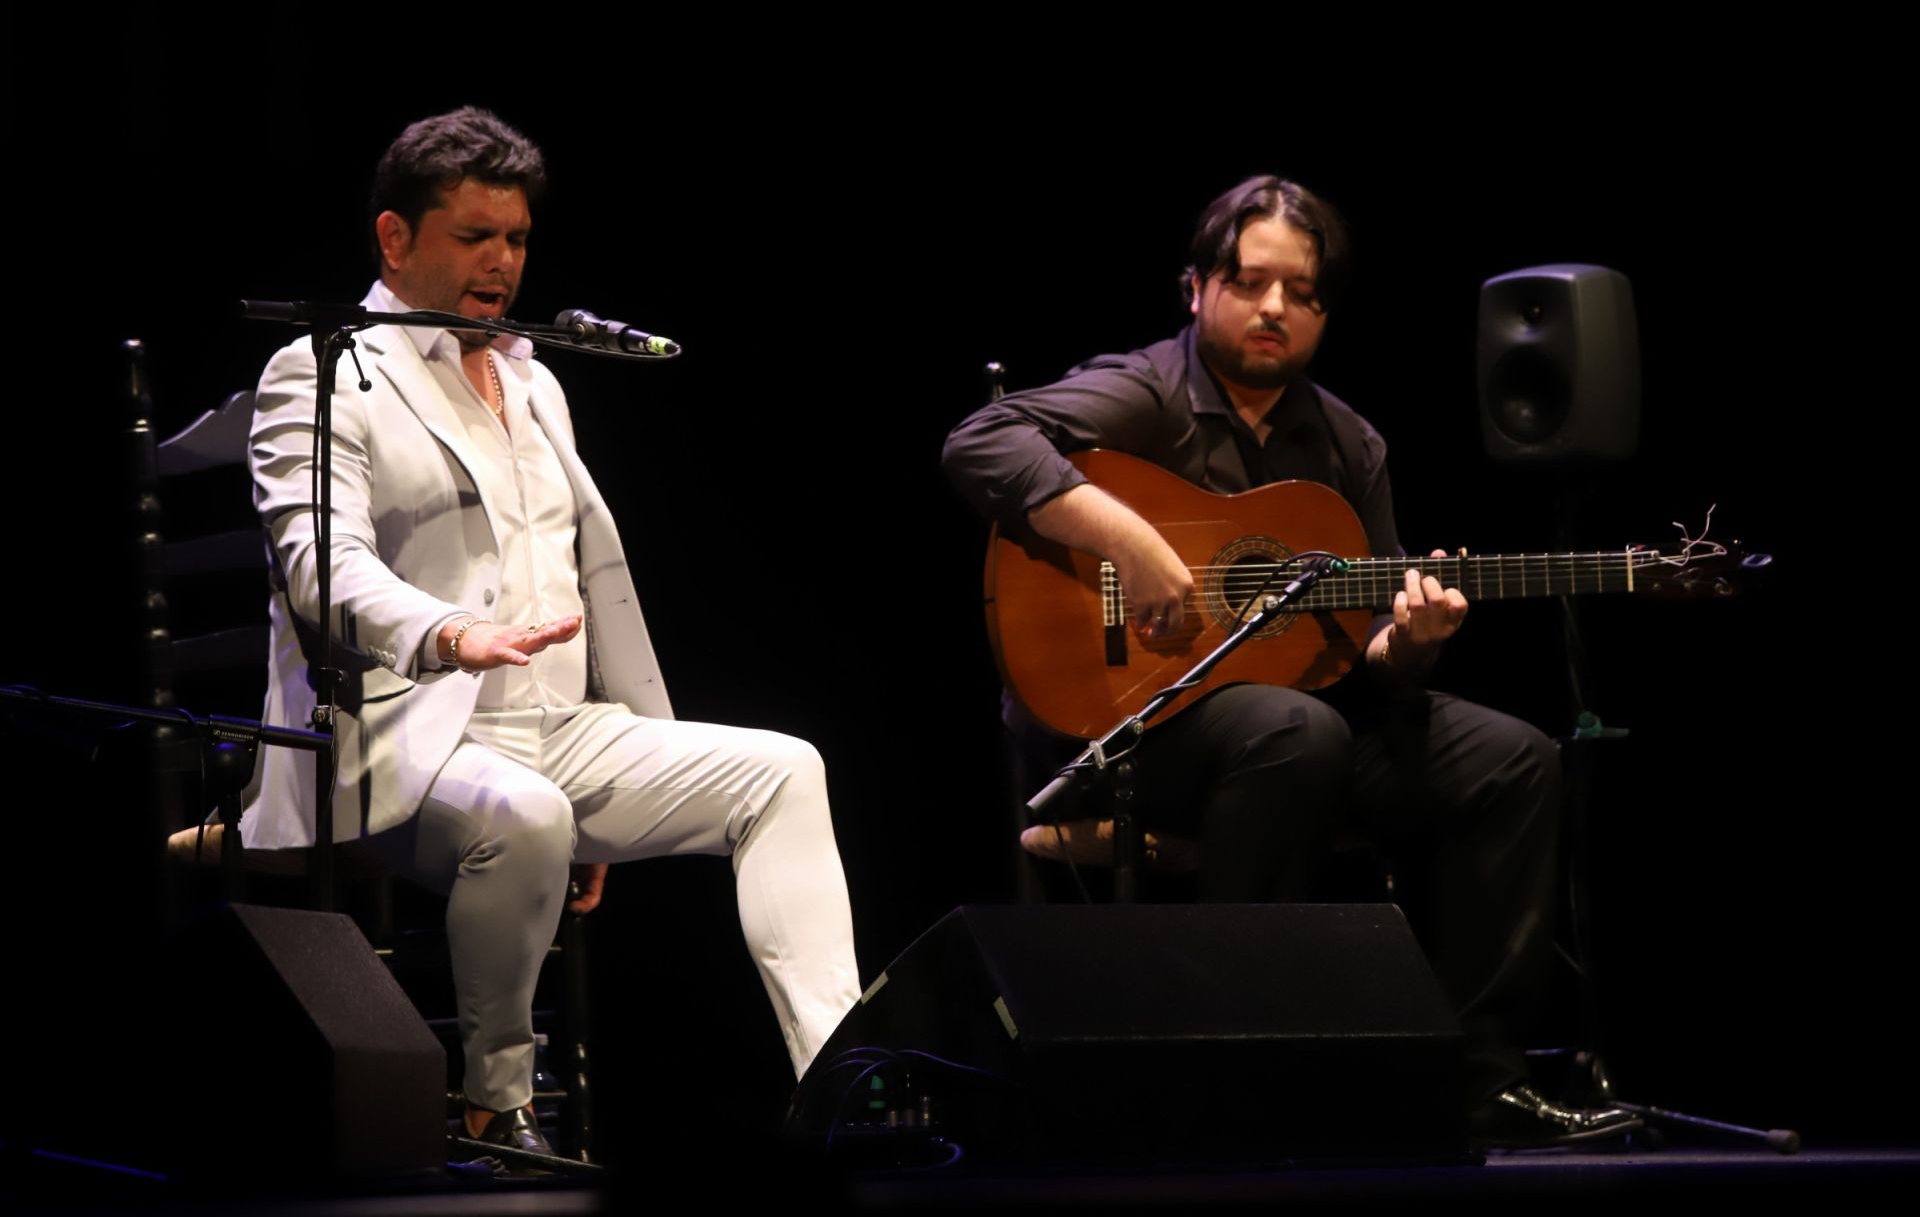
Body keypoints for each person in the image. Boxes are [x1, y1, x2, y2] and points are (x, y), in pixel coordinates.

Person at [941, 174, 1638, 1149]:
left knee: (1514, 757)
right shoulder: (1144, 389)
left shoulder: (1350, 442)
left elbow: (1369, 657)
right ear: (1197, 288)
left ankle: (1481, 1078)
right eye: (1252, 280)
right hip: (1134, 722)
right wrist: (1133, 544)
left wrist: (1411, 643)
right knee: (1295, 729)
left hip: (1296, 730)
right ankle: (1234, 1062)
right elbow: (982, 439)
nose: (1275, 307)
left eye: (1301, 292)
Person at [243, 107, 862, 1158]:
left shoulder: (536, 377)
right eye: (475, 237)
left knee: (784, 769)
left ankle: (839, 1079)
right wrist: (448, 634)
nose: (504, 263)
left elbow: (592, 572)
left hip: (556, 727)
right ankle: (496, 1100)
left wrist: (631, 749)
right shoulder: (324, 370)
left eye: (518, 239)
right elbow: (323, 569)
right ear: (395, 239)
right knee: (527, 815)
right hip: (400, 737)